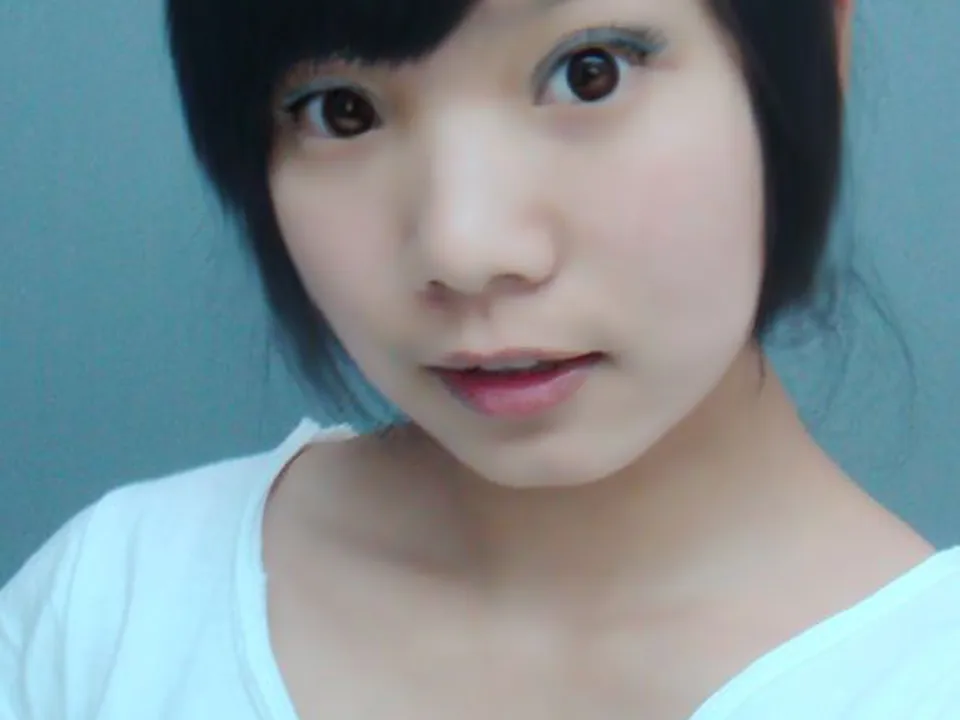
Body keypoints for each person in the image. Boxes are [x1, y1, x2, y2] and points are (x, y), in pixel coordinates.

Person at [2, 0, 958, 717]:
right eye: (341, 111)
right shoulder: (114, 614)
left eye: (589, 74)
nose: (464, 249)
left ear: (818, 47)